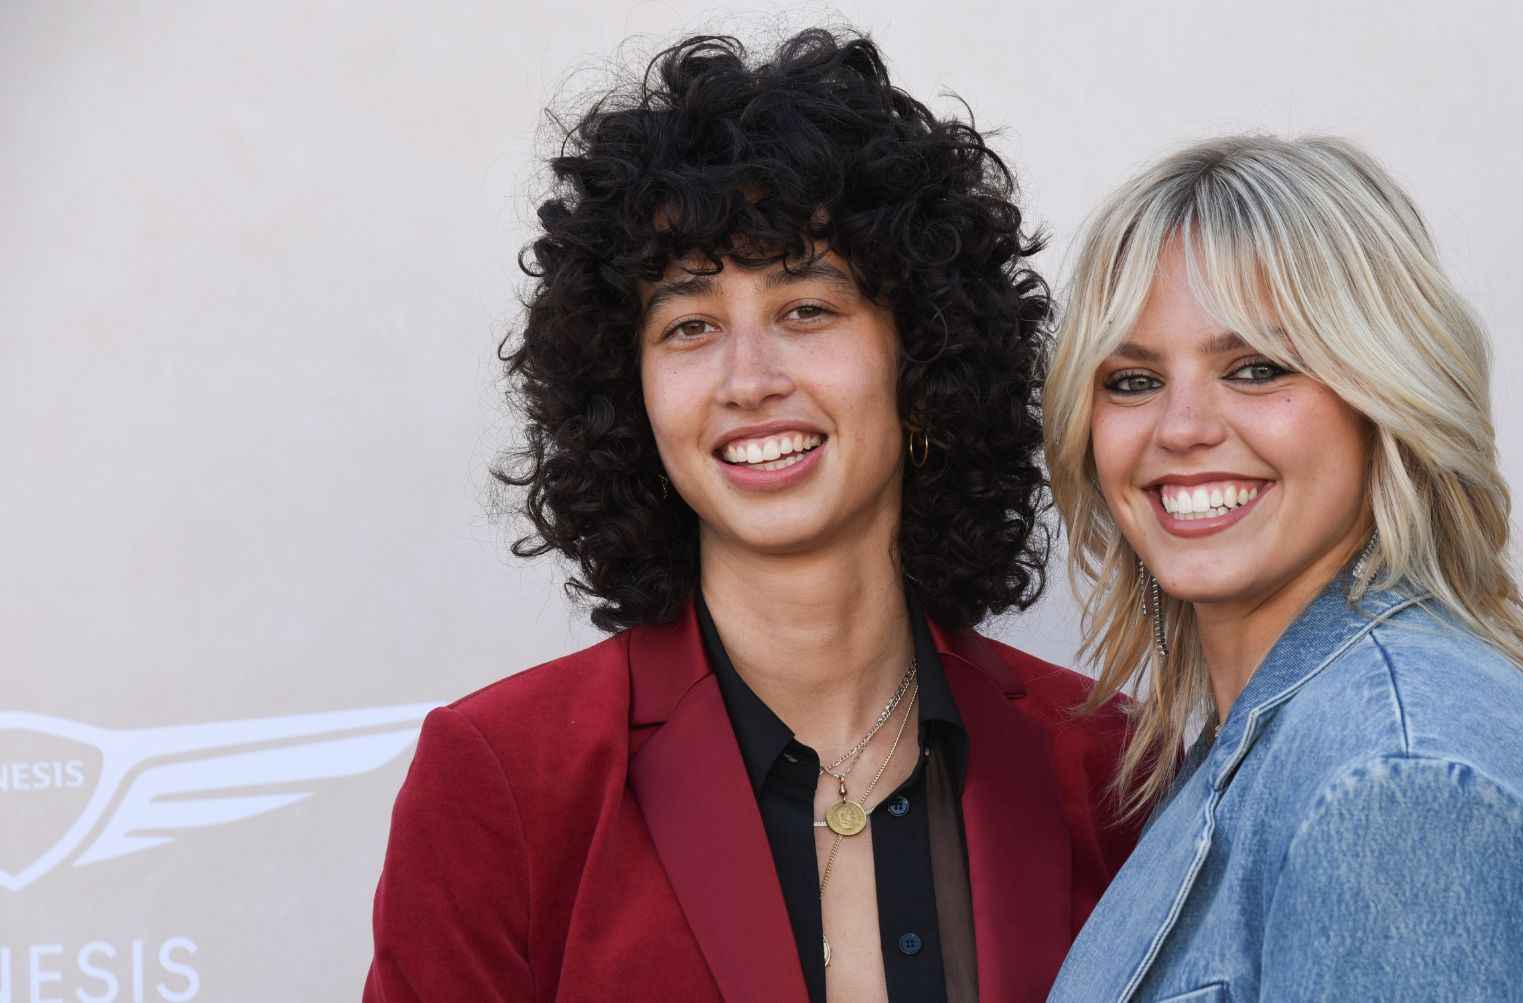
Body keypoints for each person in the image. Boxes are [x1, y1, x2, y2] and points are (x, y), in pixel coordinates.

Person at [363, 30, 1137, 1003]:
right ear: (625, 391)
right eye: (688, 325)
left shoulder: (1106, 763)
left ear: (924, 351)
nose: (749, 380)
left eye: (806, 308)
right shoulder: (505, 780)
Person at [1040, 135, 1523, 1001]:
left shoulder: (1395, 786)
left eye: (1256, 369)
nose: (1181, 427)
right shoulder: (1273, 739)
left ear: (1386, 399)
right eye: (1133, 380)